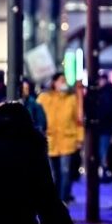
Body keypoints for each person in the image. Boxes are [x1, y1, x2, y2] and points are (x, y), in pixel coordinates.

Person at [37, 73, 82, 203]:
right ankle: (52, 201)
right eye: (61, 80)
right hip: (50, 141)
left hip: (67, 141)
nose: (64, 83)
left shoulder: (71, 99)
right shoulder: (44, 98)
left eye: (65, 80)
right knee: (52, 174)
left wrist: (79, 138)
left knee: (65, 173)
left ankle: (63, 201)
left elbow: (78, 120)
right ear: (54, 83)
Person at [97, 72, 112, 180]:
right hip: (108, 127)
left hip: (105, 127)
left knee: (104, 151)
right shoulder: (110, 91)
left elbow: (107, 111)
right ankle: (106, 171)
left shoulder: (106, 93)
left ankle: (105, 172)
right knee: (105, 150)